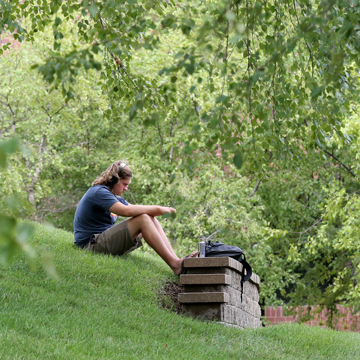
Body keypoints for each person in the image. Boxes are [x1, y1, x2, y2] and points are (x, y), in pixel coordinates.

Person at [73, 160, 196, 275]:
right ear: (114, 180)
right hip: (89, 245)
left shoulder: (114, 196)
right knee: (143, 219)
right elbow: (127, 211)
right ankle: (175, 265)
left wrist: (160, 212)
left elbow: (136, 209)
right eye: (124, 184)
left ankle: (175, 260)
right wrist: (160, 209)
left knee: (149, 217)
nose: (126, 188)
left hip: (101, 241)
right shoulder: (99, 192)